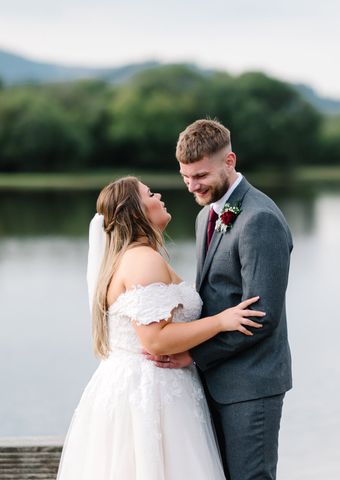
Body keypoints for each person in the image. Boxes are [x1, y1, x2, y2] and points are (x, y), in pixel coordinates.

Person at [57, 176, 266, 479]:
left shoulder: (136, 258)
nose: (159, 196)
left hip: (148, 386)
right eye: (149, 193)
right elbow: (155, 339)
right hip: (151, 395)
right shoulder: (142, 261)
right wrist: (220, 322)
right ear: (136, 212)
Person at [145, 119, 293, 480]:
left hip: (251, 384)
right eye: (185, 177)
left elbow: (261, 316)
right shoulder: (204, 215)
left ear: (229, 162)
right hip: (212, 382)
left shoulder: (259, 219)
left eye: (201, 176)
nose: (193, 186)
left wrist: (194, 354)